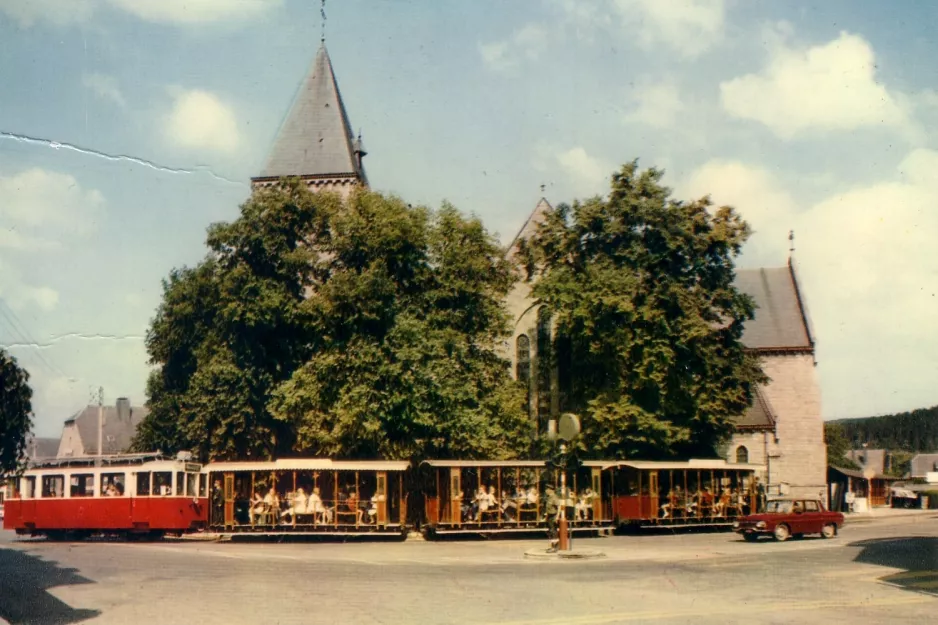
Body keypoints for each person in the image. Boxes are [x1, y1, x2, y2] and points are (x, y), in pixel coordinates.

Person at [544, 485, 560, 552]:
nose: (545, 491)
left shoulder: (554, 497)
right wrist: (546, 517)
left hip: (553, 516)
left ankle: (555, 547)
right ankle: (552, 546)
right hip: (550, 516)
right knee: (550, 531)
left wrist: (557, 517)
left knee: (553, 531)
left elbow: (559, 507)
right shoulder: (549, 497)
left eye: (546, 489)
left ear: (550, 490)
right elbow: (548, 508)